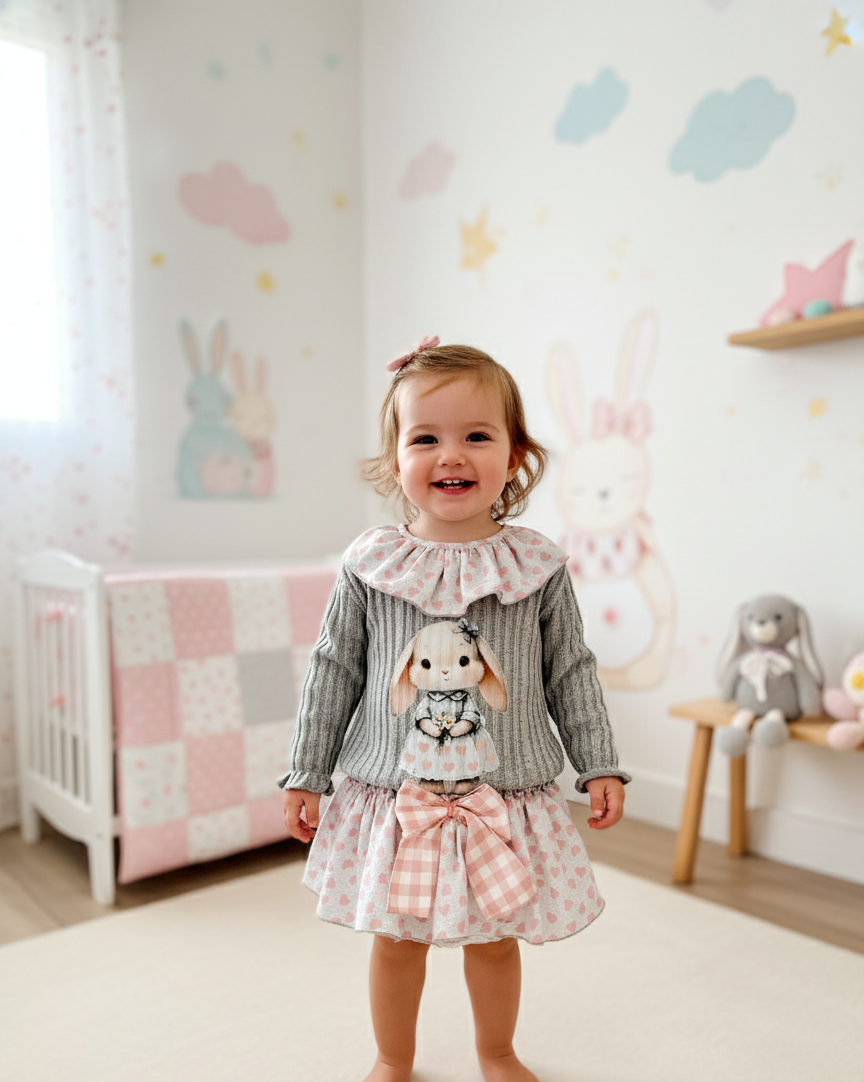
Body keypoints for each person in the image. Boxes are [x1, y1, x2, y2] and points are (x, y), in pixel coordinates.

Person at [281, 336, 629, 1082]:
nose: (452, 456)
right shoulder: (370, 564)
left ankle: (496, 1052)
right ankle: (392, 1057)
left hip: (501, 800)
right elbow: (334, 671)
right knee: (397, 941)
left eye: (477, 435)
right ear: (394, 458)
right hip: (396, 799)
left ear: (514, 454)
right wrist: (307, 771)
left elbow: (569, 670)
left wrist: (598, 762)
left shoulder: (536, 567)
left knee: (495, 939)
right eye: (425, 439)